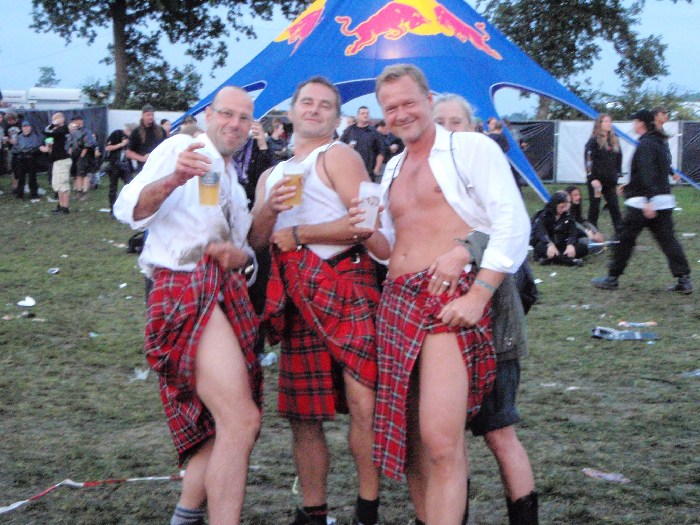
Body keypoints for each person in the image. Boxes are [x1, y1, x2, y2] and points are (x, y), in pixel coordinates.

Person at [366, 64, 533, 525]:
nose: (401, 113)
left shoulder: (470, 148)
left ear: (428, 100)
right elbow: (390, 248)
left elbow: (512, 222)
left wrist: (478, 295)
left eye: (408, 102)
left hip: (445, 299)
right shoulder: (393, 167)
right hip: (396, 301)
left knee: (441, 442)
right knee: (412, 443)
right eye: (391, 108)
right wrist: (363, 232)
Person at [113, 86, 264, 525]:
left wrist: (242, 257)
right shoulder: (182, 148)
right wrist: (174, 178)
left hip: (222, 293)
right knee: (240, 420)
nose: (234, 124)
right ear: (209, 115)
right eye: (227, 114)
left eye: (243, 118)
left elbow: (242, 253)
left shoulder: (232, 180)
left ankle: (186, 517)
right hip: (182, 288)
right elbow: (128, 209)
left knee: (220, 426)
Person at [249, 76, 381, 525]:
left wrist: (300, 233)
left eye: (325, 104)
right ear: (291, 112)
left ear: (337, 117)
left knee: (363, 403)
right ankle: (313, 512)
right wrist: (270, 209)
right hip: (297, 293)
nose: (314, 109)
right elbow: (257, 241)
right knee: (303, 414)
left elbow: (365, 224)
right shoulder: (270, 175)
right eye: (307, 101)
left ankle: (367, 510)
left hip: (346, 280)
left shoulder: (339, 156)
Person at [432, 94, 539, 525]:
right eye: (439, 122)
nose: (447, 130)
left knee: (499, 433)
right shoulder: (424, 175)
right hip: (439, 326)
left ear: (474, 129)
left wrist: (467, 248)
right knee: (447, 441)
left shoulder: (486, 172)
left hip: (493, 327)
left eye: (455, 122)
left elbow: (509, 228)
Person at [592, 109, 692, 294]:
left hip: (643, 203)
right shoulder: (659, 142)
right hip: (662, 200)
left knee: (624, 239)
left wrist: (648, 200)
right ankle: (684, 280)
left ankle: (612, 278)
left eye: (635, 121)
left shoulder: (646, 144)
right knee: (668, 240)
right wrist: (630, 186)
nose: (633, 124)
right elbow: (655, 171)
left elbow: (647, 173)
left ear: (642, 123)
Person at [584, 114, 623, 234]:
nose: (608, 123)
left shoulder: (614, 140)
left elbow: (619, 157)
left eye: (609, 121)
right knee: (594, 207)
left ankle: (620, 235)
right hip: (597, 182)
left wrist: (617, 174)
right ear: (599, 124)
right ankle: (592, 234)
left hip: (610, 181)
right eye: (605, 121)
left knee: (614, 207)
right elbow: (588, 160)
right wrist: (591, 178)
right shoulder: (593, 141)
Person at [531, 190, 587, 266]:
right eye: (561, 207)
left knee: (583, 248)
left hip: (562, 244)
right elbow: (541, 233)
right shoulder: (544, 216)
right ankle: (570, 261)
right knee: (540, 248)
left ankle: (551, 260)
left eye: (564, 206)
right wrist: (550, 244)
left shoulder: (567, 216)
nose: (563, 209)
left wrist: (570, 244)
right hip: (547, 244)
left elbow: (573, 231)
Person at [340, 106, 386, 181]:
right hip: (351, 170)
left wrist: (376, 169)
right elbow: (339, 146)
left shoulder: (374, 132)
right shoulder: (350, 130)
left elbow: (381, 151)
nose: (366, 115)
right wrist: (347, 147)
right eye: (363, 113)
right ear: (358, 116)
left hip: (368, 172)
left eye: (367, 113)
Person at [42, 112, 72, 214]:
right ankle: (60, 205)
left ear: (61, 119)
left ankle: (65, 208)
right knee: (58, 184)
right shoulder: (57, 131)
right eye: (53, 119)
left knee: (63, 185)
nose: (54, 121)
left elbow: (46, 132)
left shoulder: (64, 129)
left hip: (63, 160)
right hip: (56, 160)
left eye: (56, 119)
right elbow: (48, 138)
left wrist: (52, 125)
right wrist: (49, 144)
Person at [126, 104, 167, 174]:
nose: (150, 117)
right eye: (148, 115)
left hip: (159, 169)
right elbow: (128, 153)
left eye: (152, 115)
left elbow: (167, 148)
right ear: (142, 116)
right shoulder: (136, 132)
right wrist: (142, 158)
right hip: (143, 170)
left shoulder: (161, 131)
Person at [104, 123, 135, 214]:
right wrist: (121, 144)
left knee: (129, 185)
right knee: (113, 187)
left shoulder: (132, 139)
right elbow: (107, 148)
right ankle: (113, 208)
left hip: (126, 165)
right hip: (114, 164)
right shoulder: (117, 133)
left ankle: (128, 207)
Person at [11, 121, 43, 199]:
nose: (26, 128)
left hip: (31, 159)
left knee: (32, 177)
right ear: (22, 128)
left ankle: (34, 194)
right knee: (21, 177)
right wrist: (20, 151)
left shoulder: (35, 137)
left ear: (30, 127)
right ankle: (20, 194)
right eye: (24, 127)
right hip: (21, 159)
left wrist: (30, 151)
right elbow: (14, 149)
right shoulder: (18, 137)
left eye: (27, 126)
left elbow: (38, 147)